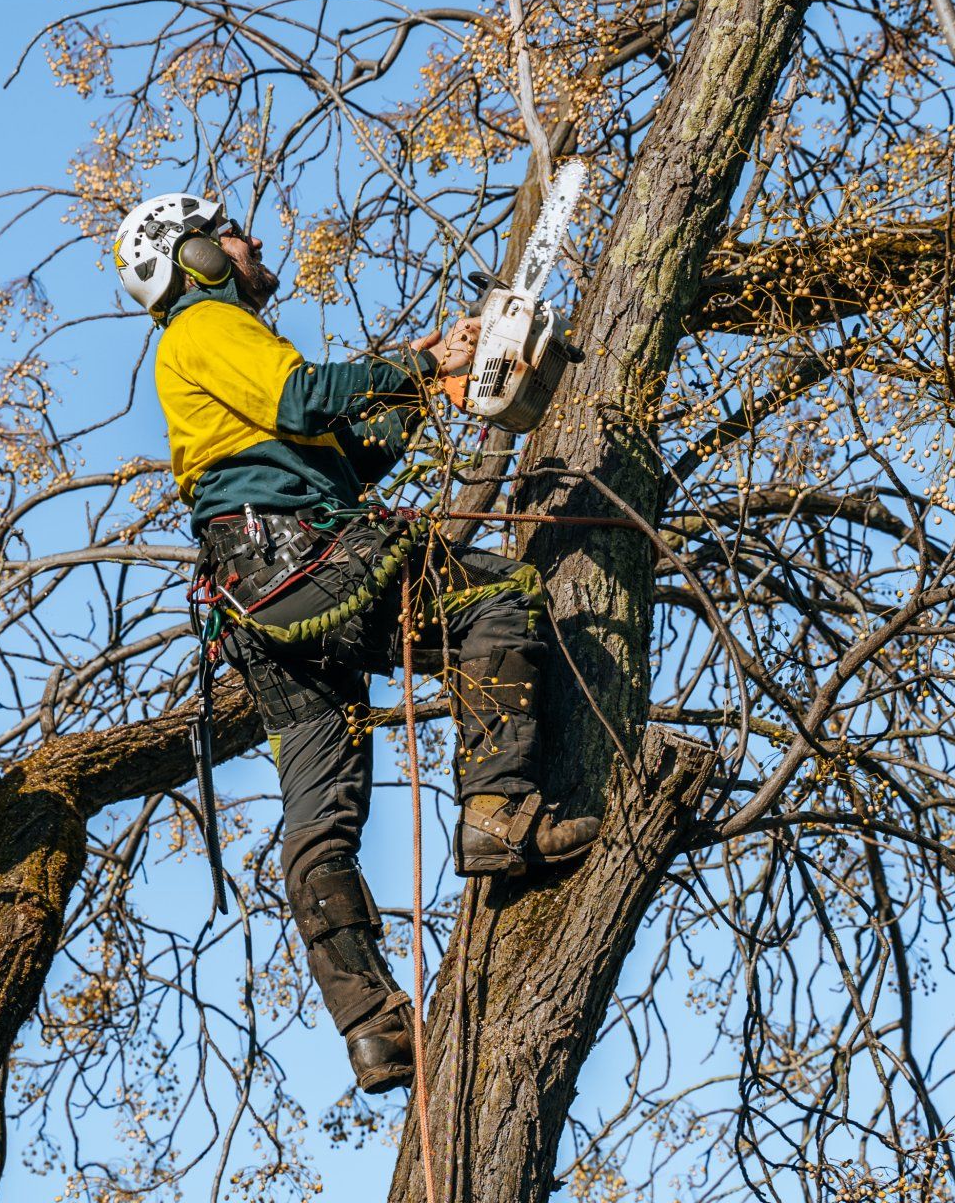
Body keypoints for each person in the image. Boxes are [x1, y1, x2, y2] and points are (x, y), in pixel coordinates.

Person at [113, 192, 600, 1094]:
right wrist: (408, 362)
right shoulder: (206, 323)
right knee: (498, 598)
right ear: (195, 259)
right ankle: (498, 809)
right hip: (306, 561)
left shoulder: (220, 349)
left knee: (319, 814)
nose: (251, 239)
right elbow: (304, 399)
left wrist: (424, 381)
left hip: (262, 603)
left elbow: (347, 454)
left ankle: (373, 1028)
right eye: (228, 234)